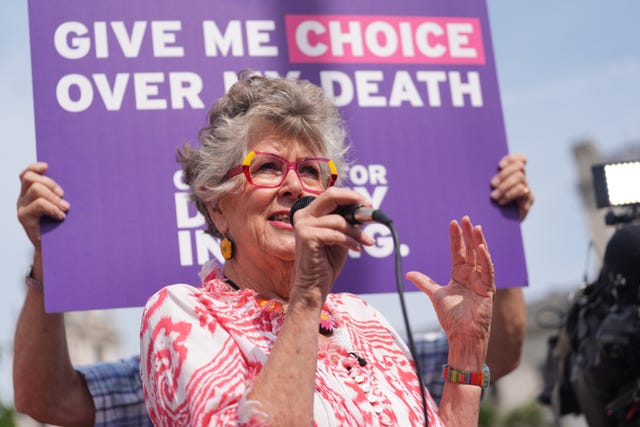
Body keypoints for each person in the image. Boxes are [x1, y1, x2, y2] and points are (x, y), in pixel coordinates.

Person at [13, 90, 532, 426]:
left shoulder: (365, 320)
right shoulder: (184, 314)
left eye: (312, 171)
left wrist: (465, 353)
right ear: (217, 206)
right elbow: (50, 399)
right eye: (267, 167)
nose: (294, 187)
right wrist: (306, 297)